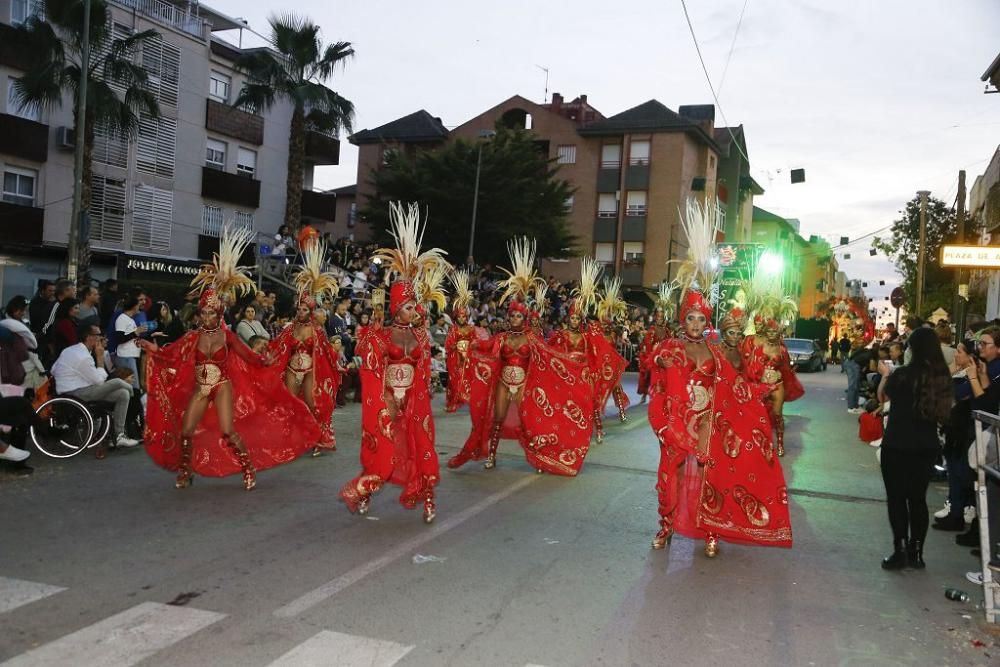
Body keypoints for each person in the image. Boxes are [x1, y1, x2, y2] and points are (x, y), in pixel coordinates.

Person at [647, 198, 791, 557]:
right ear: (684, 319)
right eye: (691, 317)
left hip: (708, 422)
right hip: (676, 422)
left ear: (707, 322)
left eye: (701, 319)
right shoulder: (669, 349)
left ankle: (711, 530)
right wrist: (663, 425)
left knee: (711, 475)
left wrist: (761, 391)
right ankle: (665, 526)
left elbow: (734, 385)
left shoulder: (714, 352)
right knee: (671, 478)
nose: (696, 324)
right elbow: (659, 390)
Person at [141, 226, 321, 490]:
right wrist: (152, 349)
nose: (206, 318)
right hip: (201, 389)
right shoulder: (193, 337)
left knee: (227, 431)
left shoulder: (228, 337)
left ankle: (248, 468)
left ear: (219, 313)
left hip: (222, 387)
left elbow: (250, 358)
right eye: (203, 313)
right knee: (186, 431)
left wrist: (266, 361)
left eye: (211, 313)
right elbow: (171, 355)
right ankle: (185, 470)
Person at [448, 237, 595, 475]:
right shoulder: (502, 337)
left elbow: (550, 356)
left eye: (518, 316)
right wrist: (471, 344)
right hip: (504, 383)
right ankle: (492, 456)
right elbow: (484, 347)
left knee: (530, 422)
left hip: (525, 383)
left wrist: (574, 366)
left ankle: (538, 458)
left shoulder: (532, 339)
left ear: (524, 318)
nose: (514, 319)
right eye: (512, 316)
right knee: (497, 419)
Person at [338, 202, 442, 523]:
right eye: (409, 307)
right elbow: (372, 366)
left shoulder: (421, 337)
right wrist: (386, 398)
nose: (415, 311)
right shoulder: (382, 336)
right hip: (388, 398)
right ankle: (364, 489)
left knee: (419, 447)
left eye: (415, 307)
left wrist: (415, 398)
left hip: (414, 400)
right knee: (386, 450)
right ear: (397, 308)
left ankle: (427, 499)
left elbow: (423, 369)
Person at [875, 327, 952, 570]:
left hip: (897, 443)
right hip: (926, 446)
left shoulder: (902, 375)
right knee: (918, 499)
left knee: (897, 498)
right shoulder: (941, 377)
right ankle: (916, 551)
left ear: (913, 349)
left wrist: (886, 375)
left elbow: (882, 398)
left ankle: (900, 549)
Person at [270, 241, 342, 454]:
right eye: (299, 308)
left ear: (310, 311)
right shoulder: (289, 329)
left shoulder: (317, 330)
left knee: (312, 403)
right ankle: (291, 437)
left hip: (311, 370)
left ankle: (316, 438)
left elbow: (326, 351)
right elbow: (278, 347)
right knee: (291, 403)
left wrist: (335, 356)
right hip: (292, 369)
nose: (300, 311)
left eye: (304, 309)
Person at [548, 258, 623, 444]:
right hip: (567, 373)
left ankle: (598, 430)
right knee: (565, 402)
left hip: (584, 372)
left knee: (591, 401)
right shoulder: (561, 335)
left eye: (576, 319)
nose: (574, 321)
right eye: (571, 318)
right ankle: (564, 430)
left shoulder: (587, 335)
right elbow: (554, 352)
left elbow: (597, 351)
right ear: (568, 319)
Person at [51, 324, 139, 448]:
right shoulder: (83, 356)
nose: (101, 338)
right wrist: (100, 358)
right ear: (89, 337)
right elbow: (99, 381)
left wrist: (74, 377)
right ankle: (132, 390)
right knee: (117, 382)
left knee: (122, 394)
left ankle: (119, 436)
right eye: (98, 335)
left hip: (73, 390)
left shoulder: (70, 350)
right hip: (76, 393)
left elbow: (53, 370)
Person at [739, 297, 806, 458]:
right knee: (754, 416)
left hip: (776, 385)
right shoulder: (750, 341)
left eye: (762, 322)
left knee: (777, 415)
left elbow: (785, 367)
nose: (759, 325)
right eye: (756, 322)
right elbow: (743, 362)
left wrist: (780, 373)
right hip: (756, 385)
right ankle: (757, 443)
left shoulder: (780, 346)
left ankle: (780, 443)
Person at [443, 270, 483, 413]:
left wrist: (472, 346)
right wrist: (456, 346)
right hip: (456, 358)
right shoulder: (453, 329)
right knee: (455, 380)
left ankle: (467, 399)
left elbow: (476, 341)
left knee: (468, 379)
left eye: (464, 316)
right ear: (456, 317)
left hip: (468, 358)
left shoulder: (471, 329)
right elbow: (448, 344)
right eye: (459, 316)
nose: (462, 318)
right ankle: (454, 401)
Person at [595, 276, 631, 424]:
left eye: (610, 314)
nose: (607, 317)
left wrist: (625, 339)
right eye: (605, 313)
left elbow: (624, 335)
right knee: (596, 390)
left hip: (613, 365)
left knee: (616, 388)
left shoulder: (615, 331)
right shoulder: (596, 331)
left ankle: (622, 412)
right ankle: (595, 412)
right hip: (599, 365)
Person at [637, 285, 674, 404]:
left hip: (663, 356)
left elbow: (670, 343)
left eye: (661, 318)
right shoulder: (651, 330)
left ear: (664, 319)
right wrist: (652, 352)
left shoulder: (668, 331)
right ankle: (644, 395)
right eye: (658, 317)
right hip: (652, 356)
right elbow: (647, 343)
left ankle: (661, 396)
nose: (659, 319)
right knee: (647, 376)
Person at [114, 296, 146, 390]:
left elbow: (130, 337)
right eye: (138, 305)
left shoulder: (129, 319)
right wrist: (136, 332)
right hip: (125, 357)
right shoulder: (122, 319)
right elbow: (119, 338)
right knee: (133, 387)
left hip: (130, 356)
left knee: (131, 387)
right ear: (134, 306)